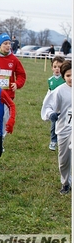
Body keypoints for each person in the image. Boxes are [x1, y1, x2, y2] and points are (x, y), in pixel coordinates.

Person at [0, 32, 26, 151]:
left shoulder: (14, 60)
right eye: (5, 43)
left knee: (3, 120)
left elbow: (22, 75)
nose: (8, 46)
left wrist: (17, 84)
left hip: (7, 96)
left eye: (9, 43)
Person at [41, 60, 72, 195]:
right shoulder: (59, 91)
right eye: (68, 75)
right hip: (64, 129)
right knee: (64, 161)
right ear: (64, 76)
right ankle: (65, 183)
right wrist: (51, 114)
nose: (71, 78)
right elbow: (47, 106)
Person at [42, 56, 66, 151]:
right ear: (52, 67)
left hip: (64, 107)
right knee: (54, 125)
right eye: (55, 66)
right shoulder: (50, 80)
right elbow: (50, 92)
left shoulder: (65, 79)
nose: (57, 69)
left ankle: (63, 141)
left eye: (59, 67)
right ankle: (53, 141)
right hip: (54, 108)